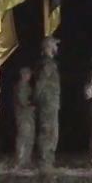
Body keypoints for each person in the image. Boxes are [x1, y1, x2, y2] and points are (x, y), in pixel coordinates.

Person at [34, 37, 61, 173]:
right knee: (48, 131)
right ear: (49, 47)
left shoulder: (49, 62)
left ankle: (48, 160)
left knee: (52, 131)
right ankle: (44, 162)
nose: (56, 47)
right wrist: (37, 98)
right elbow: (41, 82)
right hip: (48, 102)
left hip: (51, 102)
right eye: (55, 44)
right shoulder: (48, 63)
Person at [13, 66, 35, 169]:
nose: (29, 76)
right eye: (27, 74)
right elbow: (22, 101)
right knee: (23, 137)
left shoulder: (27, 86)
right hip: (23, 115)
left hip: (28, 115)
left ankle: (27, 160)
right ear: (23, 75)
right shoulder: (21, 86)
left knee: (29, 138)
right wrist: (31, 106)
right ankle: (20, 160)